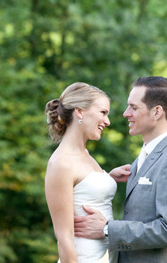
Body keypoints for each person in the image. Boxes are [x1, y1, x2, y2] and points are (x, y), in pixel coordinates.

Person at [74, 76, 167, 263]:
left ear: (156, 112)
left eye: (134, 107)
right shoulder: (144, 157)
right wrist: (106, 179)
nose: (126, 113)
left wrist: (107, 228)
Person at [45, 82, 116, 263]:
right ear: (80, 111)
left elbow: (85, 189)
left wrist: (111, 177)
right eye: (103, 113)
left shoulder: (85, 155)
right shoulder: (62, 163)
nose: (107, 121)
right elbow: (64, 238)